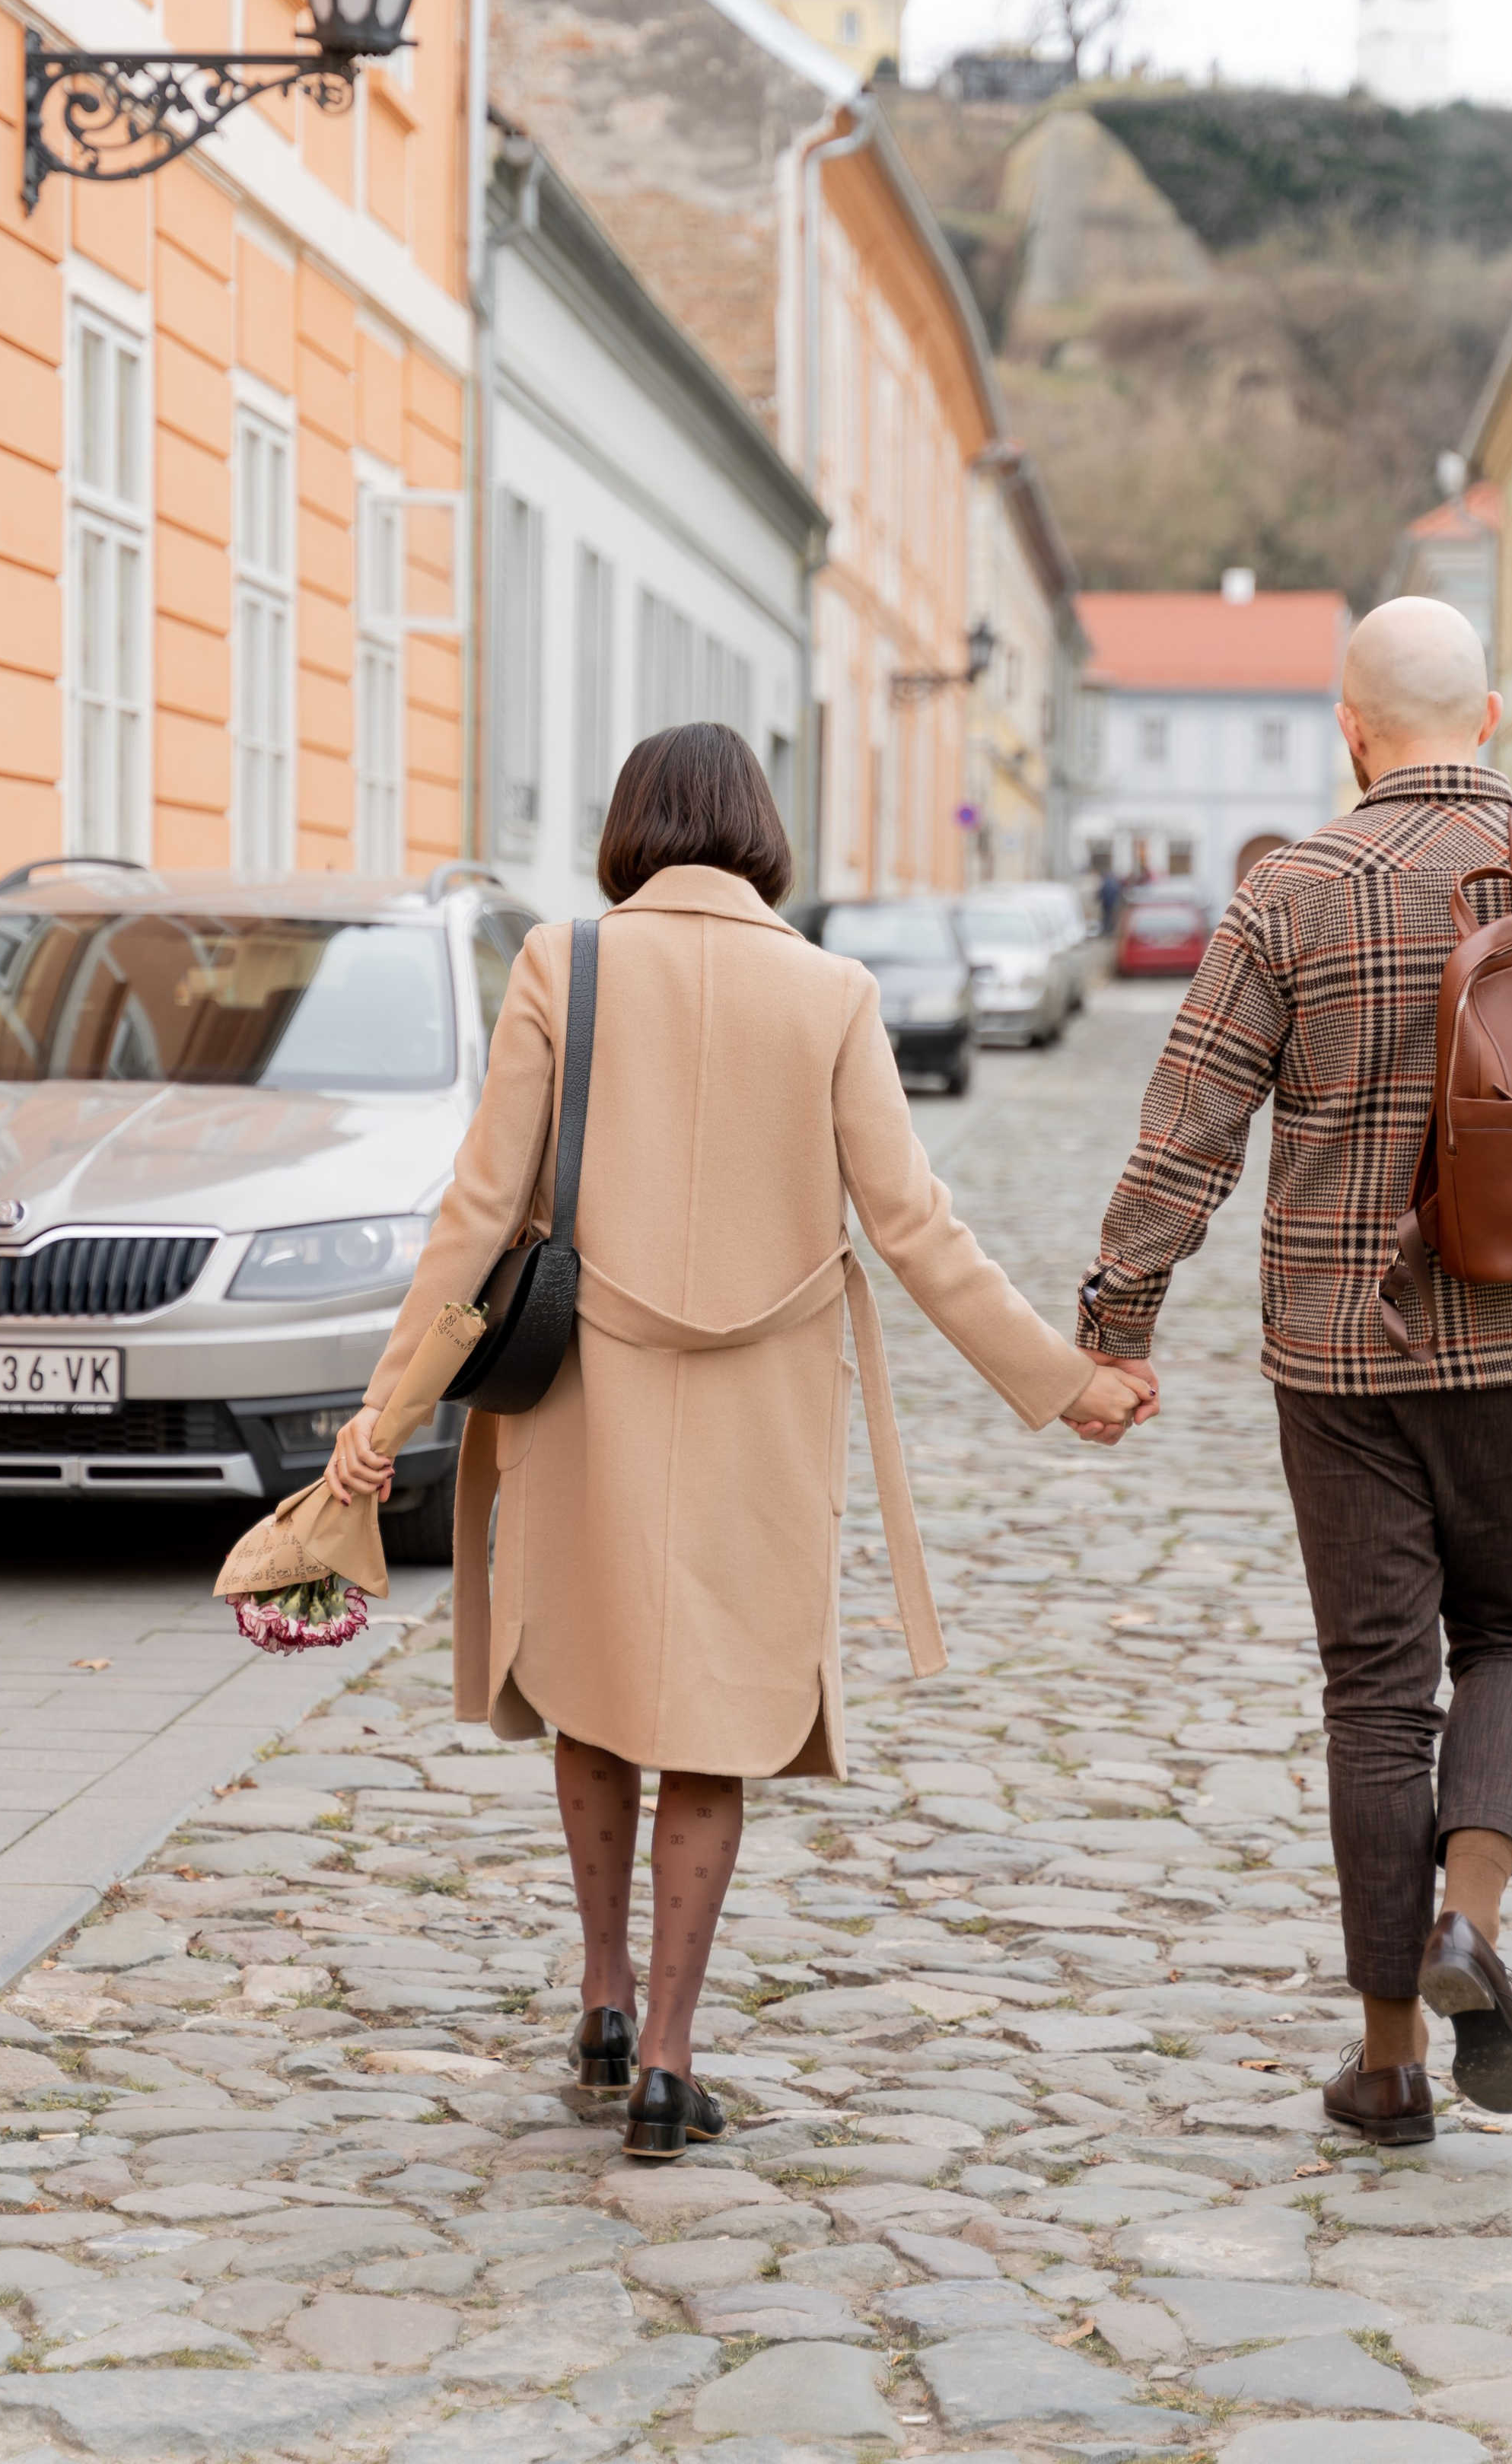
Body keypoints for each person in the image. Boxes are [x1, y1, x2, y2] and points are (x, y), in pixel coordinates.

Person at [332, 723, 1155, 2159]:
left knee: (590, 1689)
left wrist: (382, 1415)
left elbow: (476, 1216)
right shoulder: (832, 990)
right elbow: (914, 1226)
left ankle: (599, 1995)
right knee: (713, 1716)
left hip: (588, 1387)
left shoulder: (563, 967)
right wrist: (1061, 1380)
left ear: (630, 826)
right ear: (764, 834)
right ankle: (666, 2058)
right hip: (761, 1411)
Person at [1075, 597, 1512, 2145]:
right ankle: (1471, 1925)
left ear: (1348, 728)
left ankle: (1385, 2067)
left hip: (1337, 1352)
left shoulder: (1283, 895)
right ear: (1488, 716)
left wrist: (1117, 1321)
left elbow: (1187, 1132)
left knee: (1373, 1695)